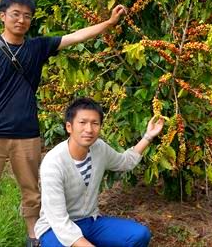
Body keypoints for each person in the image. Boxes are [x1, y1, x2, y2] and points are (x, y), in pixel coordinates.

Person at [0, 0, 127, 247]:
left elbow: (75, 36)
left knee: (32, 193)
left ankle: (34, 237)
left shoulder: (37, 47)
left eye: (27, 16)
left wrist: (108, 24)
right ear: (3, 16)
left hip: (27, 133)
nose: (21, 20)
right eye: (15, 14)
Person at [34, 97, 163, 246]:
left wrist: (148, 136)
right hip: (54, 229)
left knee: (139, 235)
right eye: (82, 123)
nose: (89, 129)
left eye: (95, 123)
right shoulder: (53, 163)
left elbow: (124, 162)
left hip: (90, 221)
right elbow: (58, 221)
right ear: (69, 127)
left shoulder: (99, 148)